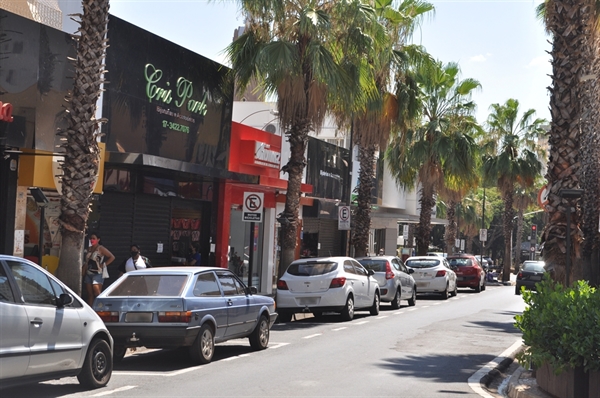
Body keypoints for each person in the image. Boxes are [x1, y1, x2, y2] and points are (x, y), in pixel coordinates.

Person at [83, 233, 115, 306]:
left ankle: (100, 309)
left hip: (97, 273)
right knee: (89, 294)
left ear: (98, 239)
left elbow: (112, 257)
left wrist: (103, 265)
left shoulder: (101, 248)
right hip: (88, 273)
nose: (92, 240)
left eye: (94, 238)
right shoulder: (89, 249)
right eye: (91, 238)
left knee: (97, 293)